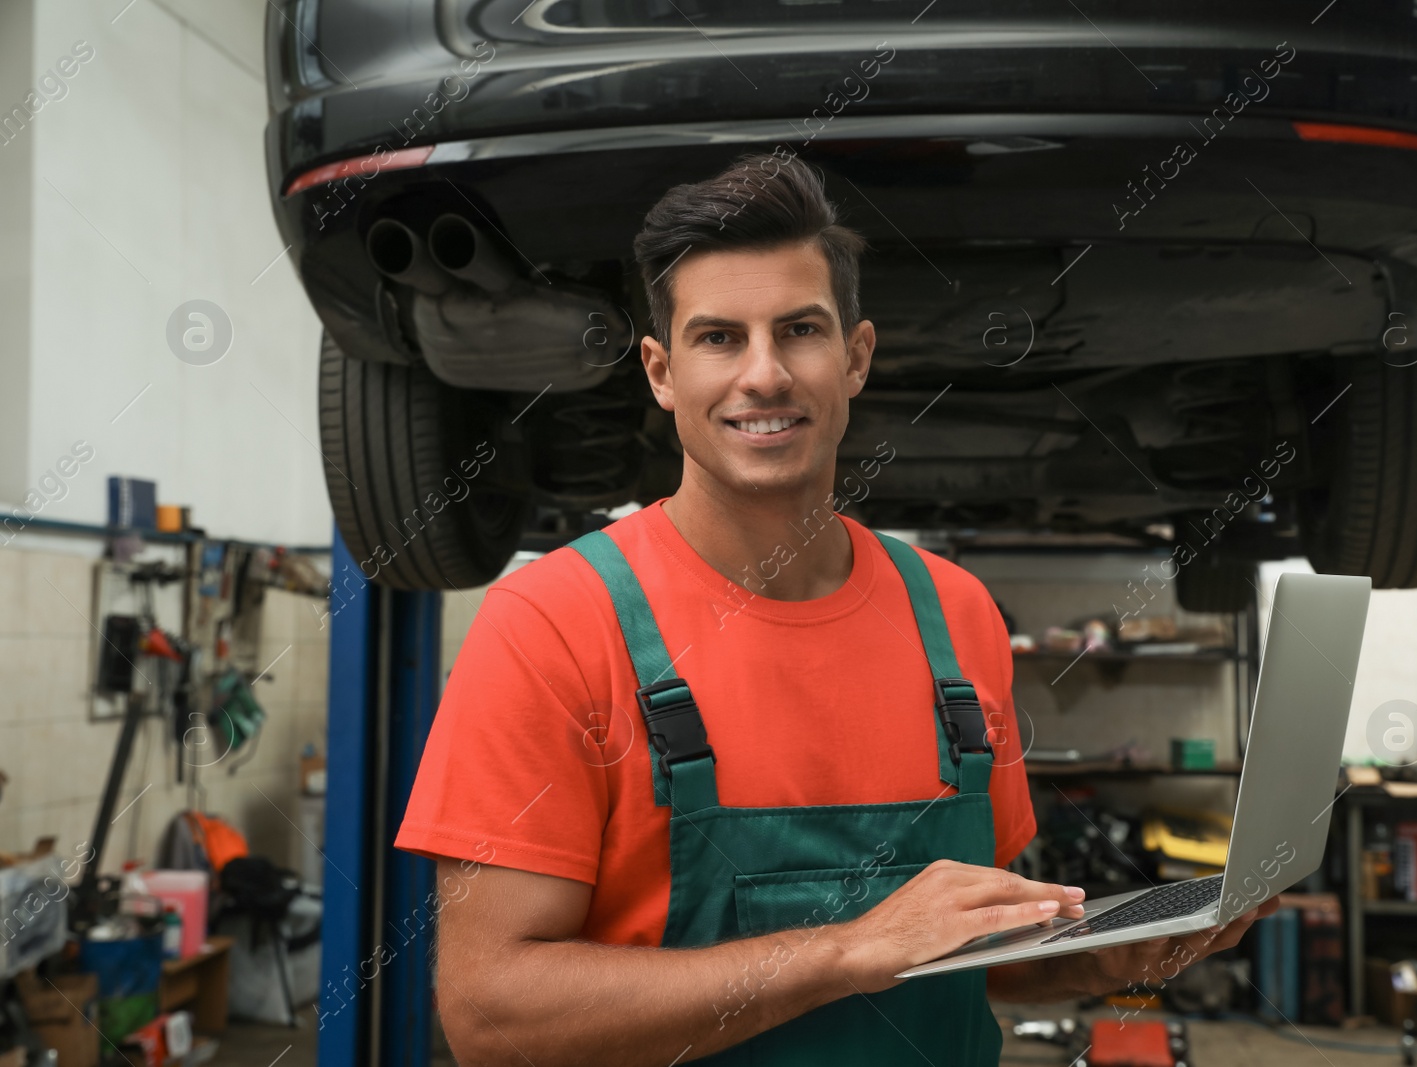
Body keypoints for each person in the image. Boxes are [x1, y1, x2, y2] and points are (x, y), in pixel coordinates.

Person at [396, 150, 1274, 1066]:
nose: (765, 375)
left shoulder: (956, 614)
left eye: (801, 329)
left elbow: (974, 955)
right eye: (718, 337)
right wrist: (845, 951)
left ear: (855, 356)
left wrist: (1104, 949)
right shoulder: (553, 623)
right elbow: (490, 1015)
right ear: (660, 372)